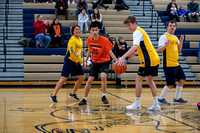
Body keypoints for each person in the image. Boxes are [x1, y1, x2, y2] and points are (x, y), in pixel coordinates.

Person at [118, 16, 161, 111]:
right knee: (150, 80)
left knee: (138, 79)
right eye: (127, 26)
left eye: (129, 25)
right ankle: (156, 104)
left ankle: (137, 104)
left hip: (148, 60)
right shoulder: (142, 31)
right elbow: (146, 47)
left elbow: (135, 45)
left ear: (134, 23)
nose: (129, 28)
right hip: (155, 58)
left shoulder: (137, 32)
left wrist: (123, 57)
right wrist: (136, 53)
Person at [78, 23, 117, 105]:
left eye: (96, 30)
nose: (95, 32)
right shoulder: (89, 40)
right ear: (90, 31)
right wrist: (86, 61)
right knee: (89, 80)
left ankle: (103, 96)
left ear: (99, 30)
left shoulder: (104, 40)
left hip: (104, 61)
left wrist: (116, 61)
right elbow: (89, 51)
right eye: (93, 30)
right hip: (95, 61)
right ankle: (84, 98)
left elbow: (110, 52)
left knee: (103, 76)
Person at [49, 25, 85, 103]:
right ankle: (53, 95)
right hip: (69, 60)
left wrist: (82, 56)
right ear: (73, 31)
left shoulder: (80, 40)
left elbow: (79, 51)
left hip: (76, 61)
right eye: (76, 29)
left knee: (81, 78)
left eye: (79, 29)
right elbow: (72, 52)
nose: (78, 31)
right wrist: (79, 59)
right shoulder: (72, 40)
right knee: (64, 78)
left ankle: (73, 93)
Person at [157, 20, 187, 105]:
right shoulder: (164, 37)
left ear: (176, 27)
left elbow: (179, 50)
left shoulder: (175, 37)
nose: (172, 27)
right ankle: (161, 99)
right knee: (170, 84)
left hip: (176, 63)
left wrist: (181, 41)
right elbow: (159, 50)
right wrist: (165, 45)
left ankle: (177, 98)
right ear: (167, 27)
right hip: (168, 64)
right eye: (170, 25)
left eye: (174, 26)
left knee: (182, 79)